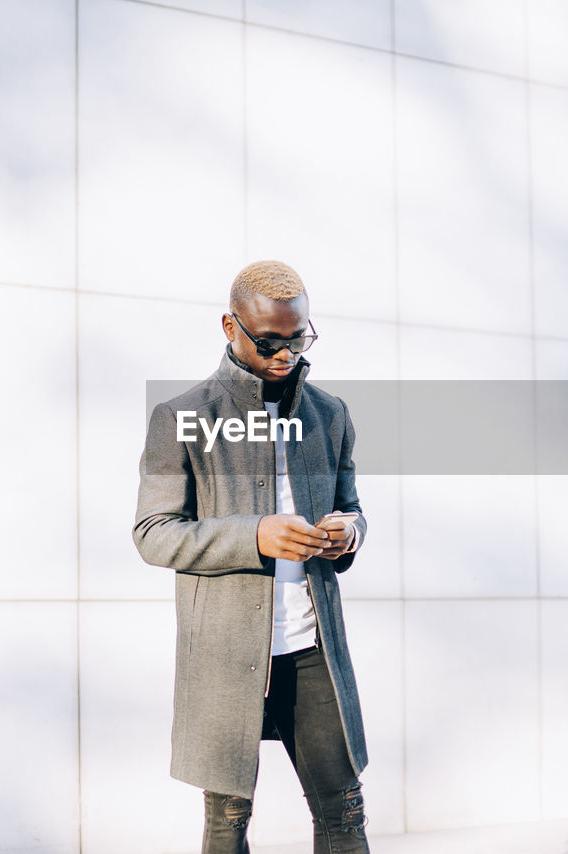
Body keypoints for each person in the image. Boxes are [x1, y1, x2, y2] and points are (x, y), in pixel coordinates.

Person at [133, 260, 371, 853]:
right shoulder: (184, 417)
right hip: (227, 653)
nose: (286, 354)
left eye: (299, 337)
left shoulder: (330, 414)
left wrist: (349, 532)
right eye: (269, 341)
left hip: (312, 646)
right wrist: (254, 535)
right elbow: (153, 532)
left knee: (344, 811)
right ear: (229, 326)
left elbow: (353, 506)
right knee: (228, 822)